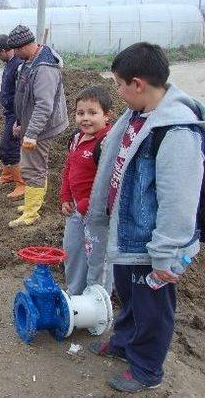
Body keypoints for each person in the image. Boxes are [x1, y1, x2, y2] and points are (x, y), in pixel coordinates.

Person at [85, 42, 204, 392]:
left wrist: (166, 254)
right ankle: (123, 343)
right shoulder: (137, 116)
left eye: (119, 84)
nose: (117, 92)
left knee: (152, 307)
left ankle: (146, 369)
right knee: (129, 294)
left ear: (138, 84)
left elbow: (178, 199)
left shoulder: (176, 131)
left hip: (152, 242)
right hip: (127, 231)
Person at [6, 25, 68, 227]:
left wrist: (31, 133)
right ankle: (33, 203)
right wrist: (19, 122)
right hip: (31, 123)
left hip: (41, 127)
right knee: (35, 164)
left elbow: (44, 105)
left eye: (15, 50)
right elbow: (24, 97)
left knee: (34, 167)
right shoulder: (30, 62)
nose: (14, 54)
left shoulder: (44, 69)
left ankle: (31, 213)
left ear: (24, 46)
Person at [60, 86, 113, 296]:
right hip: (75, 210)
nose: (86, 119)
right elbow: (68, 169)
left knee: (98, 259)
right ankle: (75, 295)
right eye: (80, 113)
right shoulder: (76, 138)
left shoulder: (107, 143)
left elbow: (110, 183)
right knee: (72, 252)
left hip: (97, 214)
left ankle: (98, 302)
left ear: (106, 115)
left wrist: (87, 205)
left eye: (93, 113)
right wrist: (65, 197)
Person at [0, 34, 25, 199]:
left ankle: (21, 183)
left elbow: (20, 93)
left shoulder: (18, 65)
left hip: (15, 113)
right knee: (6, 146)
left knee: (8, 147)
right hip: (9, 112)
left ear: (4, 50)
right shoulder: (10, 64)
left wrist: (18, 119)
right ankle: (8, 174)